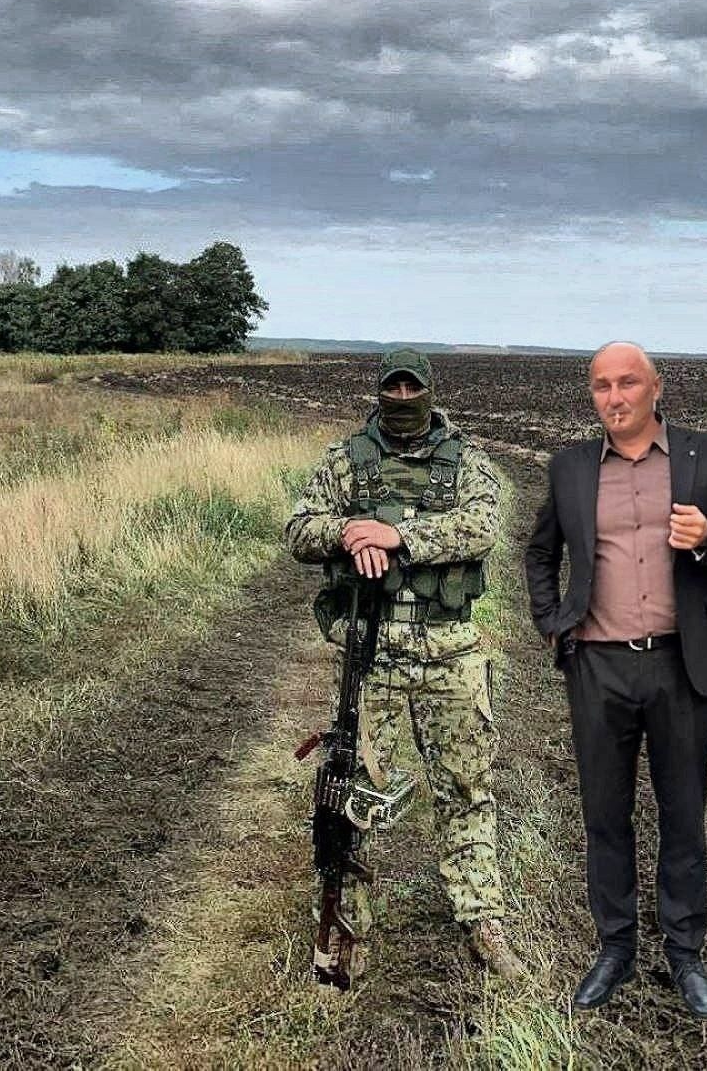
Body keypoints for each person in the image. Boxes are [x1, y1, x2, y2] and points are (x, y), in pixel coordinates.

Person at [524, 341, 707, 1018]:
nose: (615, 396)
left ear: (657, 387)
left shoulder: (706, 455)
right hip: (598, 665)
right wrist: (553, 623)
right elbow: (540, 553)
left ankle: (685, 952)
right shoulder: (570, 467)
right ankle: (616, 947)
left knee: (682, 812)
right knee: (605, 813)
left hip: (682, 664)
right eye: (602, 385)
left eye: (628, 382)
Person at [285, 347, 524, 982]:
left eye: (410, 388)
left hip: (451, 653)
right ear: (379, 392)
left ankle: (482, 920)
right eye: (390, 388)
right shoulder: (346, 460)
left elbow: (483, 526)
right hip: (372, 654)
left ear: (428, 391)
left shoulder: (466, 460)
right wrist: (347, 534)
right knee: (353, 795)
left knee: (466, 788)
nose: (400, 398)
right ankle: (347, 928)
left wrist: (398, 536)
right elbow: (299, 529)